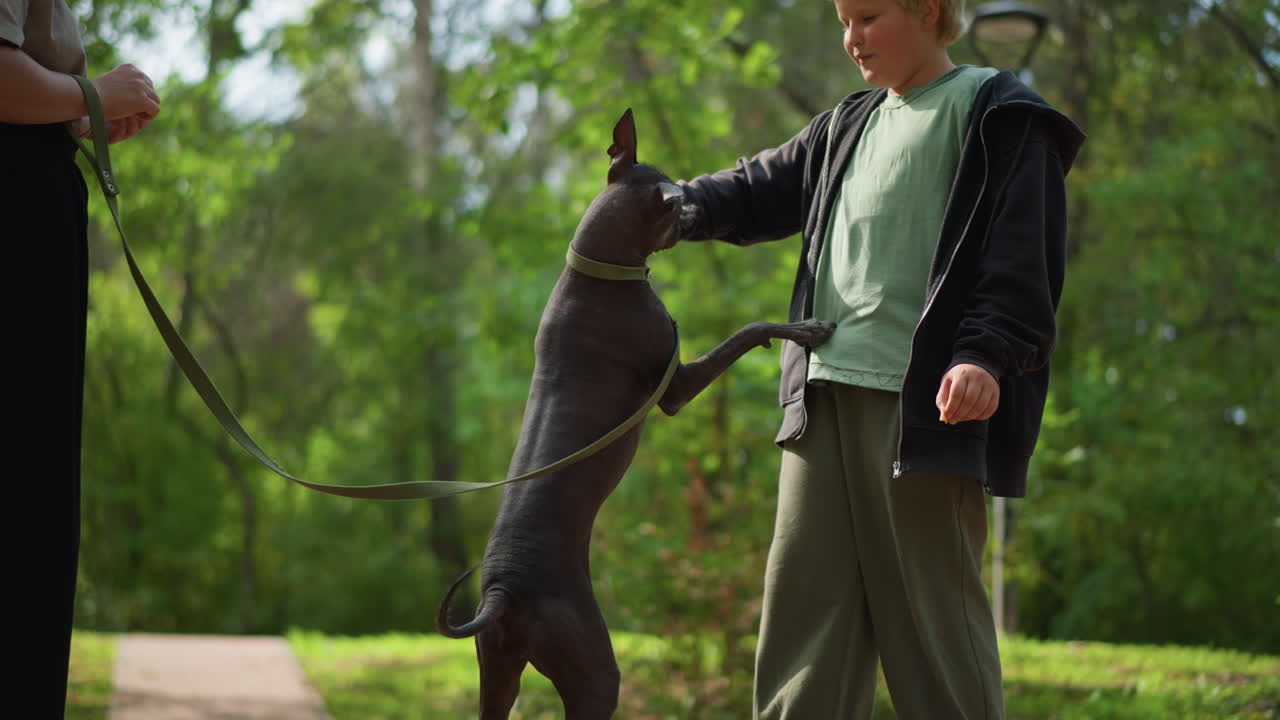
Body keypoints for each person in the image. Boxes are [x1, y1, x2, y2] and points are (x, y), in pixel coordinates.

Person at [675, 0, 1085, 717]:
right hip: (820, 404)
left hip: (922, 413)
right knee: (803, 639)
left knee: (936, 645)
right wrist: (667, 206)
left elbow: (1024, 262)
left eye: (867, 17)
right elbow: (756, 187)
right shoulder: (848, 124)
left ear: (928, 10)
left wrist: (984, 357)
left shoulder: (998, 110)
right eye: (843, 20)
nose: (849, 39)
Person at [1, 1, 159, 715]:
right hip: (15, 208)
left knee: (35, 499)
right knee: (26, 501)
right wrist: (92, 96)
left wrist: (74, 113)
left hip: (35, 188)